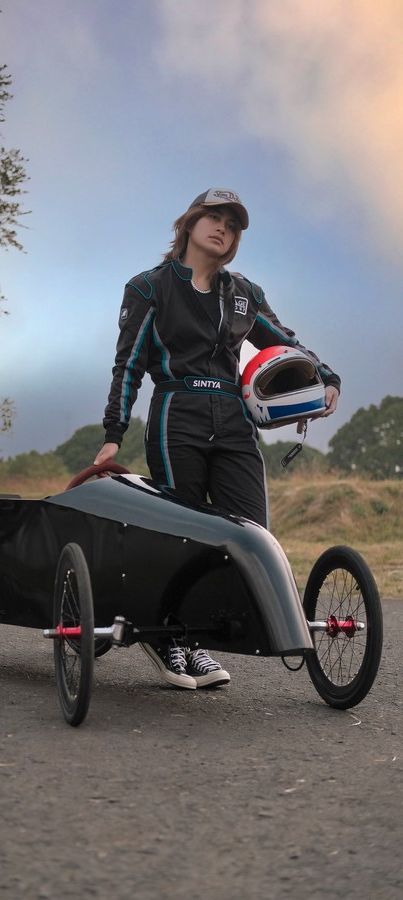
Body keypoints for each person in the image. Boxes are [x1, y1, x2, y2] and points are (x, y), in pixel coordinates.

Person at [94, 188, 340, 690]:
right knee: (181, 530)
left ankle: (198, 634)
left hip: (234, 418)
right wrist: (113, 434)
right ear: (189, 223)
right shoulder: (149, 287)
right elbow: (129, 365)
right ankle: (171, 639)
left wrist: (326, 376)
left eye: (232, 223)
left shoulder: (244, 293)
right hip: (177, 413)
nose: (223, 227)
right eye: (214, 216)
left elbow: (285, 342)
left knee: (251, 533)